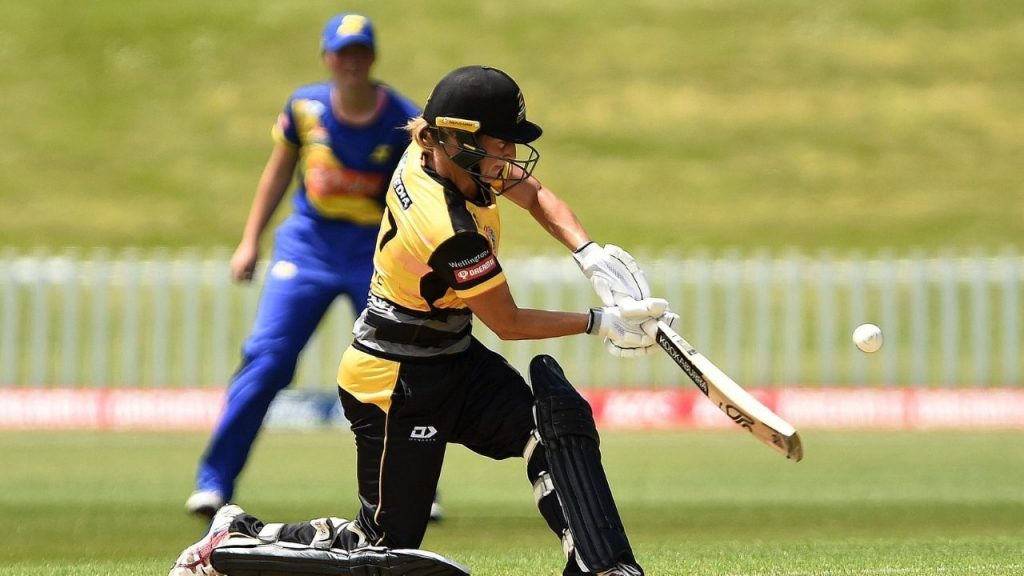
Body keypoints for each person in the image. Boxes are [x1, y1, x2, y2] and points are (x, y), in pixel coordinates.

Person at [170, 65, 676, 576]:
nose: (509, 157)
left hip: (453, 356)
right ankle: (230, 549)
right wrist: (600, 322)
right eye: (501, 144)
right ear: (455, 140)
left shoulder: (443, 154)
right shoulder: (448, 228)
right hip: (395, 381)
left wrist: (590, 254)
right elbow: (507, 321)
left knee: (553, 425)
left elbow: (536, 194)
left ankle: (602, 566)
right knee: (383, 548)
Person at [185, 12, 439, 519]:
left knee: (395, 366)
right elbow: (278, 173)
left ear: (372, 57)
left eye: (360, 52)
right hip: (307, 247)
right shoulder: (305, 108)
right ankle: (214, 482)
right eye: (342, 53)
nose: (351, 62)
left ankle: (415, 490)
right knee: (267, 358)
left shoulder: (403, 119)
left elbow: (421, 196)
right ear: (327, 57)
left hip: (374, 251)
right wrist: (249, 241)